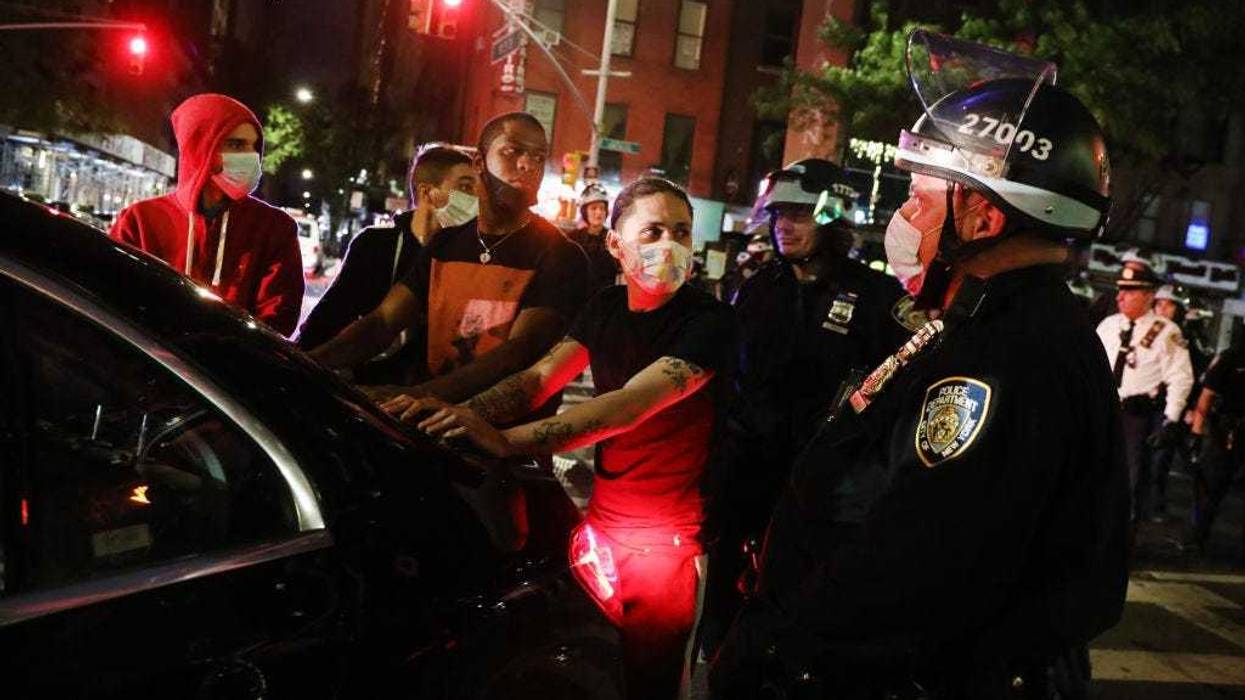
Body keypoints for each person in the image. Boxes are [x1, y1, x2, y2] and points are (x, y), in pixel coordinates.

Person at [710, 31, 1128, 699]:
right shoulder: (997, 325)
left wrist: (783, 653)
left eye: (921, 197)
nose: (903, 216)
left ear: (983, 216)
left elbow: (915, 557)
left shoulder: (1002, 356)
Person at [386, 177, 736, 700]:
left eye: (681, 232)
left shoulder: (708, 321)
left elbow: (627, 406)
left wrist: (508, 441)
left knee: (652, 683)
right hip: (602, 530)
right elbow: (538, 378)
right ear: (616, 244)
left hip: (668, 547)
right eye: (654, 230)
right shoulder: (606, 307)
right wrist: (456, 415)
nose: (670, 245)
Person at [699, 158, 910, 658]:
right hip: (748, 479)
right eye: (777, 214)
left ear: (833, 218)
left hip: (826, 491)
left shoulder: (877, 297)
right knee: (723, 625)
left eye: (798, 213)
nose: (783, 225)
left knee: (805, 622)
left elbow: (895, 398)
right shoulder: (757, 289)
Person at [307, 112, 590, 418]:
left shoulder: (561, 254)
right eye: (512, 151)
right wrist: (307, 363)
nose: (527, 164)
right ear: (480, 163)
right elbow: (384, 321)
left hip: (501, 440)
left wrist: (415, 395)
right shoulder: (446, 243)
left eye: (538, 156)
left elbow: (518, 353)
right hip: (423, 426)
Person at [110, 93, 304, 336]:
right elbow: (115, 303)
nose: (250, 157)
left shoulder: (275, 228)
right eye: (236, 145)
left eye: (254, 147)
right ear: (200, 147)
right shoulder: (139, 221)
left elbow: (278, 317)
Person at [295, 145, 478, 384]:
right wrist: (301, 365)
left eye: (477, 187)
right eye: (465, 187)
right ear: (427, 193)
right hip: (363, 387)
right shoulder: (376, 246)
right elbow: (331, 315)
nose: (476, 197)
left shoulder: (470, 258)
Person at [1098, 258, 1194, 524]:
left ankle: (1122, 537)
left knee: (1130, 481)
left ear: (1149, 295)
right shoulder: (1108, 326)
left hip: (1135, 417)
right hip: (1102, 411)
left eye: (1129, 291)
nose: (1120, 297)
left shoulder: (1166, 332)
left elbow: (1180, 377)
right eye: (1120, 290)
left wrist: (1171, 419)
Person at [568, 182, 620, 291]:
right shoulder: (573, 238)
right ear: (584, 212)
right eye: (593, 208)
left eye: (602, 208)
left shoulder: (614, 239)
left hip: (603, 297)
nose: (599, 212)